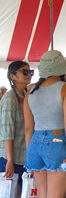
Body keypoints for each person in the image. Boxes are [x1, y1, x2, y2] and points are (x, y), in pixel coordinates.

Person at [24, 50, 66, 198]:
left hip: (34, 144)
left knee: (42, 195)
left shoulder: (30, 91)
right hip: (57, 142)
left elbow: (28, 127)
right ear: (61, 69)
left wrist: (29, 152)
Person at [0, 61, 32, 190]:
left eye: (30, 72)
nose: (29, 75)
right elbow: (7, 131)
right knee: (8, 192)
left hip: (21, 156)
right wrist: (9, 160)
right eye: (25, 72)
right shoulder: (10, 98)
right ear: (13, 76)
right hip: (11, 157)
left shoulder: (24, 95)